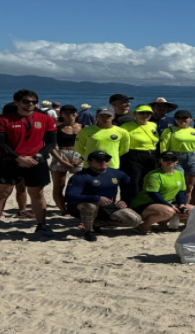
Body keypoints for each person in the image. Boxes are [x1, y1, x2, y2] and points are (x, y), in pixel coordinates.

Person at [0, 90, 58, 235]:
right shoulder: (4, 119)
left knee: (37, 193)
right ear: (16, 102)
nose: (30, 104)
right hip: (10, 161)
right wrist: (18, 158)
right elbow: (1, 144)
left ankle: (41, 225)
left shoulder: (45, 119)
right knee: (3, 192)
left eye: (33, 102)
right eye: (26, 101)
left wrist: (37, 157)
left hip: (36, 161)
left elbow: (51, 143)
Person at [64, 150, 141, 241]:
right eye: (98, 160)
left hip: (106, 205)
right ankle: (88, 231)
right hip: (80, 206)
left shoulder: (117, 173)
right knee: (90, 206)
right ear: (89, 162)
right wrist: (96, 198)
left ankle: (96, 223)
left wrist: (125, 200)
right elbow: (69, 196)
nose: (103, 162)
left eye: (106, 159)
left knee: (135, 220)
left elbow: (132, 188)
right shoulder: (80, 176)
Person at [130, 151, 191, 233]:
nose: (170, 161)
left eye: (173, 159)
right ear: (160, 161)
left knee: (193, 210)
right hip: (145, 204)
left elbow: (181, 191)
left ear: (176, 161)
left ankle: (163, 222)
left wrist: (182, 204)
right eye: (166, 159)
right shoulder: (154, 175)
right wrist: (169, 205)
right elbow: (153, 194)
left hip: (165, 203)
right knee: (169, 211)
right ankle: (144, 226)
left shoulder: (179, 174)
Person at [159, 110, 195, 198]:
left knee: (189, 186)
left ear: (190, 119)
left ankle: (185, 205)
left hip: (194, 157)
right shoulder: (169, 130)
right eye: (178, 118)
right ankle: (175, 203)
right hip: (175, 158)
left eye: (185, 118)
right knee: (177, 184)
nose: (181, 120)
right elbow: (164, 147)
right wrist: (165, 160)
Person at [118, 104, 159, 204]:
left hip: (151, 156)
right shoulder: (126, 127)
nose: (145, 115)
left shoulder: (153, 125)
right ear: (135, 114)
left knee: (148, 181)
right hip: (134, 156)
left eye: (148, 113)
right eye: (141, 113)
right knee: (134, 182)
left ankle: (143, 203)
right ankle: (129, 204)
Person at [49, 105, 83, 215]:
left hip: (79, 156)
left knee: (81, 185)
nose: (70, 114)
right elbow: (51, 147)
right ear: (61, 114)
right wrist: (61, 160)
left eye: (73, 112)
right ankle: (64, 211)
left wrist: (81, 159)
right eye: (66, 112)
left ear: (76, 113)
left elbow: (89, 145)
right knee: (59, 186)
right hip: (61, 155)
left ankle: (79, 209)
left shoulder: (84, 128)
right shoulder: (57, 128)